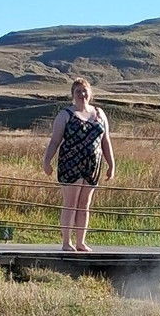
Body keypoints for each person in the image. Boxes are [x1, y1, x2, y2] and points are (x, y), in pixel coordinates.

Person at [42, 77, 115, 252]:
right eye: (78, 92)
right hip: (70, 164)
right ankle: (67, 242)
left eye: (84, 91)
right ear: (72, 95)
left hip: (92, 166)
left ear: (90, 93)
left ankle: (81, 241)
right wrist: (47, 161)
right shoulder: (65, 115)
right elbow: (55, 141)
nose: (82, 94)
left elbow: (106, 141)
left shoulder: (99, 114)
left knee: (85, 204)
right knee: (71, 202)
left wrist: (111, 164)